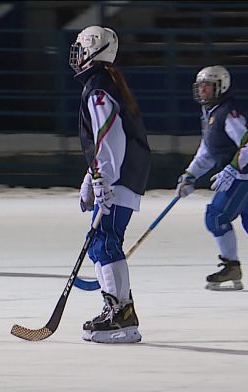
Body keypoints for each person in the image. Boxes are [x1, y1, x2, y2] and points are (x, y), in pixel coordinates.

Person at [175, 65, 248, 290]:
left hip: (246, 174)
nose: (203, 90)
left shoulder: (228, 113)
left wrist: (232, 169)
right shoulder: (211, 113)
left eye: (207, 86)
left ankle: (231, 267)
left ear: (220, 87)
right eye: (201, 86)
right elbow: (207, 151)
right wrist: (190, 175)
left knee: (216, 217)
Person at [72, 26, 151, 343]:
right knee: (102, 242)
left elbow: (110, 137)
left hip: (119, 176)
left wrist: (103, 178)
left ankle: (122, 316)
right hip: (121, 174)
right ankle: (115, 311)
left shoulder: (99, 88)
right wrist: (91, 177)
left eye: (80, 48)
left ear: (92, 50)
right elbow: (104, 141)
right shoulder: (102, 83)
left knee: (105, 241)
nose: (76, 55)